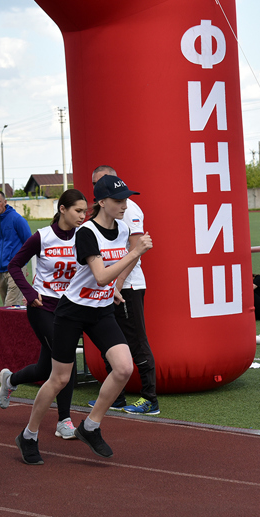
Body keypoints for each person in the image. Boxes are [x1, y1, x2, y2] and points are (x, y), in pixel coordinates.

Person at [15, 175, 152, 465]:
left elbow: (110, 277)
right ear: (101, 202)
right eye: (118, 200)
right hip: (72, 312)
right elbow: (102, 274)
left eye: (126, 199)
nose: (124, 205)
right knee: (59, 379)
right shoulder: (87, 232)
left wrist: (115, 288)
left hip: (101, 311)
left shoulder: (124, 227)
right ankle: (29, 434)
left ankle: (90, 426)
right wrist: (135, 252)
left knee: (124, 368)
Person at [0, 189, 88, 440]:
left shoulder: (85, 236)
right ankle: (64, 421)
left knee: (45, 368)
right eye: (78, 211)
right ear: (62, 209)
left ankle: (10, 379)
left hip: (71, 308)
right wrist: (28, 292)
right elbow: (15, 265)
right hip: (43, 308)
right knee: (66, 359)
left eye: (85, 211)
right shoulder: (43, 237)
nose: (83, 216)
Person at [89, 165, 159, 415]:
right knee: (111, 341)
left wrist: (117, 285)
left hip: (127, 286)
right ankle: (116, 396)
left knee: (136, 340)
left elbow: (134, 253)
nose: (97, 187)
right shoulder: (99, 216)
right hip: (109, 287)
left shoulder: (128, 209)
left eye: (103, 181)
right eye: (96, 183)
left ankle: (150, 398)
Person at [0, 190, 31, 306]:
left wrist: (23, 264)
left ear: (5, 202)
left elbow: (29, 243)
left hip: (16, 267)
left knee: (10, 305)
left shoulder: (17, 219)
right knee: (7, 307)